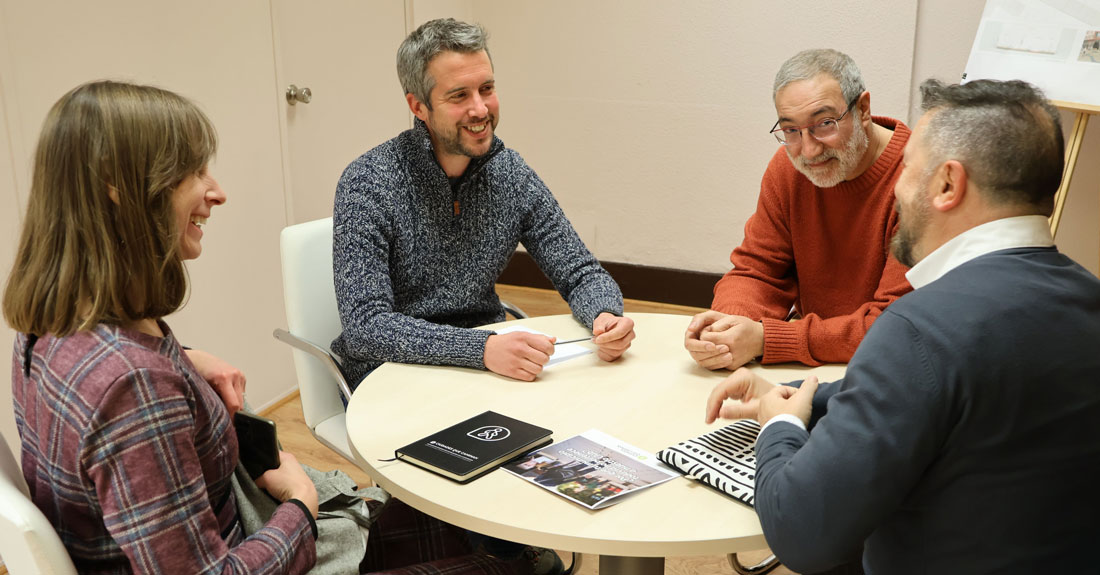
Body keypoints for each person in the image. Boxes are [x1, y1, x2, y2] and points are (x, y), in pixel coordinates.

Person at [3, 80, 555, 575]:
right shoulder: (132, 386)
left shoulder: (49, 333)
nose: (216, 192)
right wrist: (299, 506)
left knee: (480, 526)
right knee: (530, 565)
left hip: (243, 524)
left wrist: (182, 359)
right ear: (118, 191)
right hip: (269, 540)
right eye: (192, 173)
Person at [704, 79, 1100, 573]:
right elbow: (958, 393)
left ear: (947, 185)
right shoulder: (1087, 299)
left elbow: (800, 533)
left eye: (908, 167)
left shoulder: (918, 329)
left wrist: (778, 426)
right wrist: (799, 394)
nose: (895, 187)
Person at [332, 18, 635, 389]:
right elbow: (366, 327)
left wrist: (604, 314)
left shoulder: (510, 174)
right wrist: (481, 347)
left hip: (489, 368)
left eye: (486, 89)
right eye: (459, 96)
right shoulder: (369, 183)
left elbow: (581, 273)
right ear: (418, 106)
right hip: (390, 377)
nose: (480, 109)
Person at [685, 49, 912, 371]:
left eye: (825, 124)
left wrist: (768, 339)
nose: (808, 150)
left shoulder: (918, 181)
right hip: (807, 359)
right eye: (791, 130)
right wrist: (728, 324)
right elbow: (758, 270)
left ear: (862, 109)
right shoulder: (789, 170)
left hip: (889, 368)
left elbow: (896, 325)